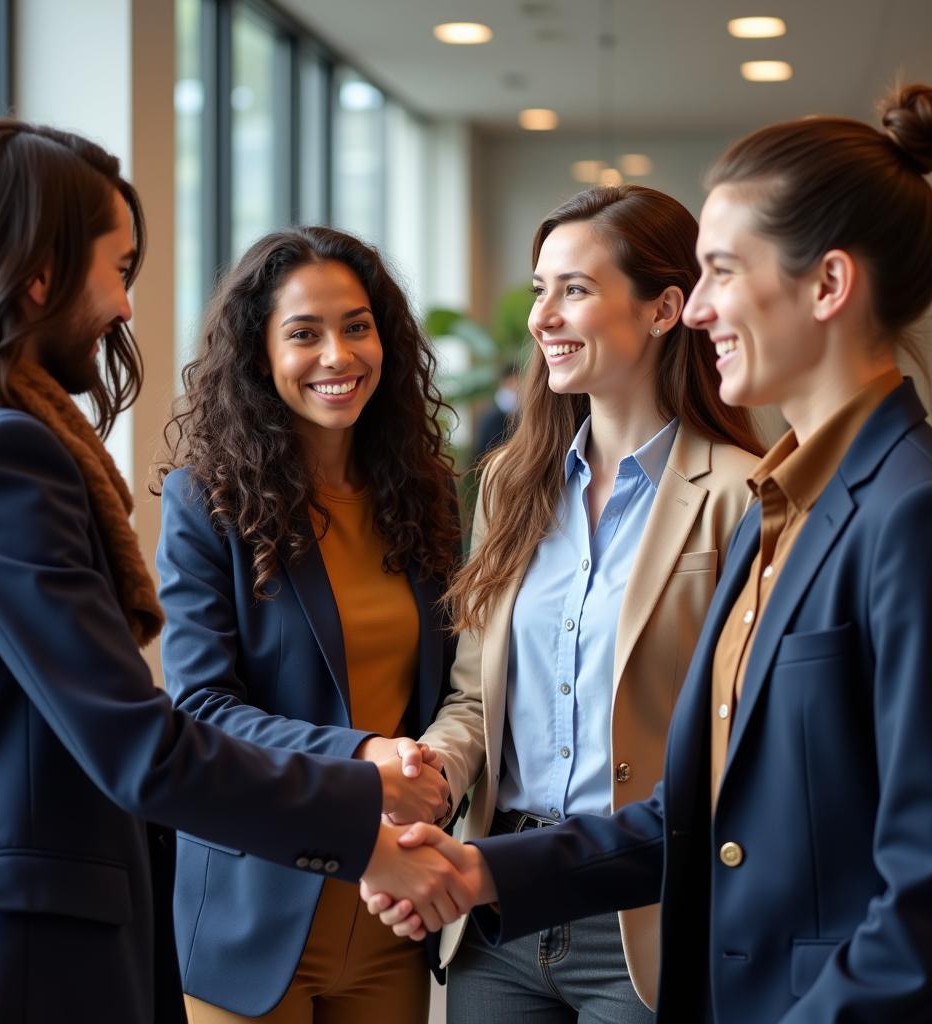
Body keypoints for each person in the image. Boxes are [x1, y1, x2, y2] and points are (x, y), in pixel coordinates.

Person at [366, 83, 932, 1024]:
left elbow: (915, 886)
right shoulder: (780, 508)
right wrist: (479, 868)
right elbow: (707, 806)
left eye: (719, 271)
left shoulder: (901, 512)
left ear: (828, 285)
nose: (700, 307)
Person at [0, 120, 464, 1024]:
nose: (127, 310)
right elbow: (143, 746)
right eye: (116, 270)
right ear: (37, 270)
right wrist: (364, 801)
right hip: (20, 953)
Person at [412, 185, 763, 1022]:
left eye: (575, 288)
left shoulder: (741, 495)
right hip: (498, 907)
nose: (543, 318)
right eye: (539, 290)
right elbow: (474, 697)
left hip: (647, 914)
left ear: (663, 309)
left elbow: (738, 733)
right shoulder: (510, 484)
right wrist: (430, 770)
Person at [154, 225, 459, 1023]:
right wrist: (361, 756)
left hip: (392, 915)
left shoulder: (426, 498)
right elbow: (201, 707)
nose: (338, 356)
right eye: (304, 334)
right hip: (249, 914)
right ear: (260, 357)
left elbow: (460, 683)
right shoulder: (205, 503)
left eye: (357, 326)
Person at [472, 361, 520, 462]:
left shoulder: (520, 412)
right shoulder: (490, 416)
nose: (517, 386)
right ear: (504, 382)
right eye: (513, 381)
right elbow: (483, 451)